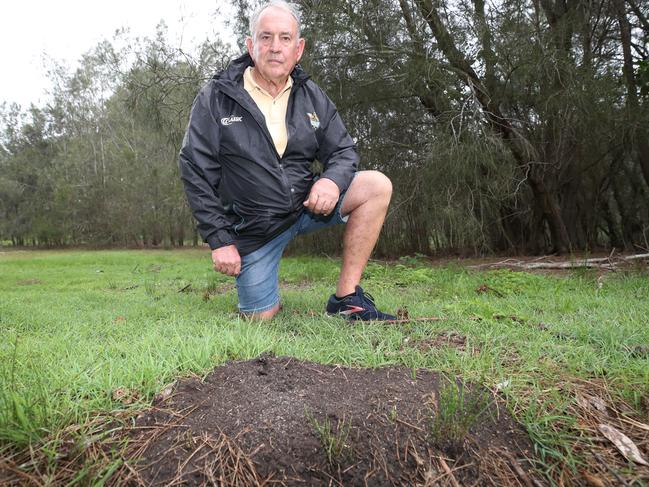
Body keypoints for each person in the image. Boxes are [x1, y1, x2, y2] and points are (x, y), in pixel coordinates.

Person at [179, 0, 395, 321]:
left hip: (305, 208)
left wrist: (331, 180)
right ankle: (260, 293)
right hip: (255, 230)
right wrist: (220, 240)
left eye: (285, 38)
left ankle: (346, 298)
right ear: (251, 46)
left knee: (376, 186)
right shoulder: (217, 97)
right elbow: (195, 170)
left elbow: (343, 151)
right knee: (260, 319)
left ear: (299, 48)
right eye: (265, 38)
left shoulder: (311, 95)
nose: (275, 47)